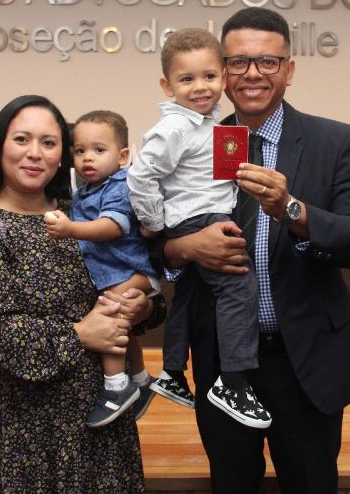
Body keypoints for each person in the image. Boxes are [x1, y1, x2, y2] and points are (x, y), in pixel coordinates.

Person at [156, 8, 350, 493]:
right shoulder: (192, 141)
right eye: (238, 62)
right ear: (222, 71)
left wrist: (291, 209)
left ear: (289, 70)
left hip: (305, 359)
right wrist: (186, 247)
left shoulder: (334, 141)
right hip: (223, 359)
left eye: (268, 62)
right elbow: (152, 243)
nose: (252, 74)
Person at [0, 94, 165, 492]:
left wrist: (143, 306)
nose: (35, 153)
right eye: (21, 139)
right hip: (29, 434)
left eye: (49, 142)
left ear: (62, 155)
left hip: (107, 426)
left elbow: (144, 286)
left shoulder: (86, 213)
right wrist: (80, 334)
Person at [127, 27, 271, 429]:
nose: (200, 87)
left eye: (209, 76)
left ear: (223, 77)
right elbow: (140, 176)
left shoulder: (207, 125)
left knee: (189, 295)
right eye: (187, 79)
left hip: (198, 216)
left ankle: (172, 372)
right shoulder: (175, 128)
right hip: (201, 219)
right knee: (239, 289)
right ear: (167, 85)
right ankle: (234, 383)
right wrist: (154, 223)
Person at [45, 110, 160, 427]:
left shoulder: (120, 185)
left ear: (122, 156)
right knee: (124, 326)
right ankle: (141, 380)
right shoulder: (85, 191)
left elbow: (113, 226)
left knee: (108, 317)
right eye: (80, 150)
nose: (87, 158)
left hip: (131, 270)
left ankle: (116, 387)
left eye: (98, 150)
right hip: (116, 273)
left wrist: (71, 230)